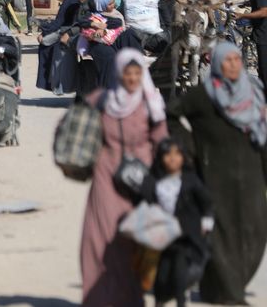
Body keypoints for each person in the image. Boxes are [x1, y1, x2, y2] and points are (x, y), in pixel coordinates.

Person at [166, 42, 267, 305]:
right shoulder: (204, 95)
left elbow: (263, 135)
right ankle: (232, 295)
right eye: (227, 60)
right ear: (217, 63)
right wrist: (188, 146)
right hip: (214, 173)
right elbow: (170, 115)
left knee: (256, 233)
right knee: (221, 234)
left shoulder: (254, 93)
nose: (233, 65)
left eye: (237, 59)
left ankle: (216, 288)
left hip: (252, 174)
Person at [81, 49, 168, 306]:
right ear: (119, 73)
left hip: (140, 183)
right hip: (106, 178)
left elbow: (163, 143)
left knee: (134, 244)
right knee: (99, 239)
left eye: (136, 73)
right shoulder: (102, 100)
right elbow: (77, 127)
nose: (131, 79)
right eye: (127, 73)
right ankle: (97, 299)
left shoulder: (151, 105)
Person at [146, 138, 214, 307]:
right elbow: (145, 198)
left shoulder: (190, 180)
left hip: (185, 236)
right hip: (163, 236)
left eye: (177, 154)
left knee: (179, 274)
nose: (172, 158)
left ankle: (181, 302)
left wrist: (206, 222)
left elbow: (206, 202)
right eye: (168, 154)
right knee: (161, 276)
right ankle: (159, 301)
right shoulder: (155, 180)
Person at [79, 0, 142, 88]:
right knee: (110, 57)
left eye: (113, 3)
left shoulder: (115, 14)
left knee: (129, 33)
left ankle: (138, 59)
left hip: (114, 40)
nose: (113, 5)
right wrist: (94, 24)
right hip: (98, 44)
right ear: (101, 5)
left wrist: (104, 26)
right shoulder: (92, 15)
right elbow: (82, 22)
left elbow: (117, 23)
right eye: (109, 4)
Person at [36, 0, 85, 91]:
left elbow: (59, 22)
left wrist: (45, 32)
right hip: (74, 31)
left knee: (45, 44)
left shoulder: (69, 0)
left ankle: (49, 83)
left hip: (66, 32)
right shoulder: (81, 0)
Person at [238, 0, 267, 90]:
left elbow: (264, 11)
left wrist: (243, 16)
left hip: (264, 33)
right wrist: (248, 3)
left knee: (264, 67)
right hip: (263, 32)